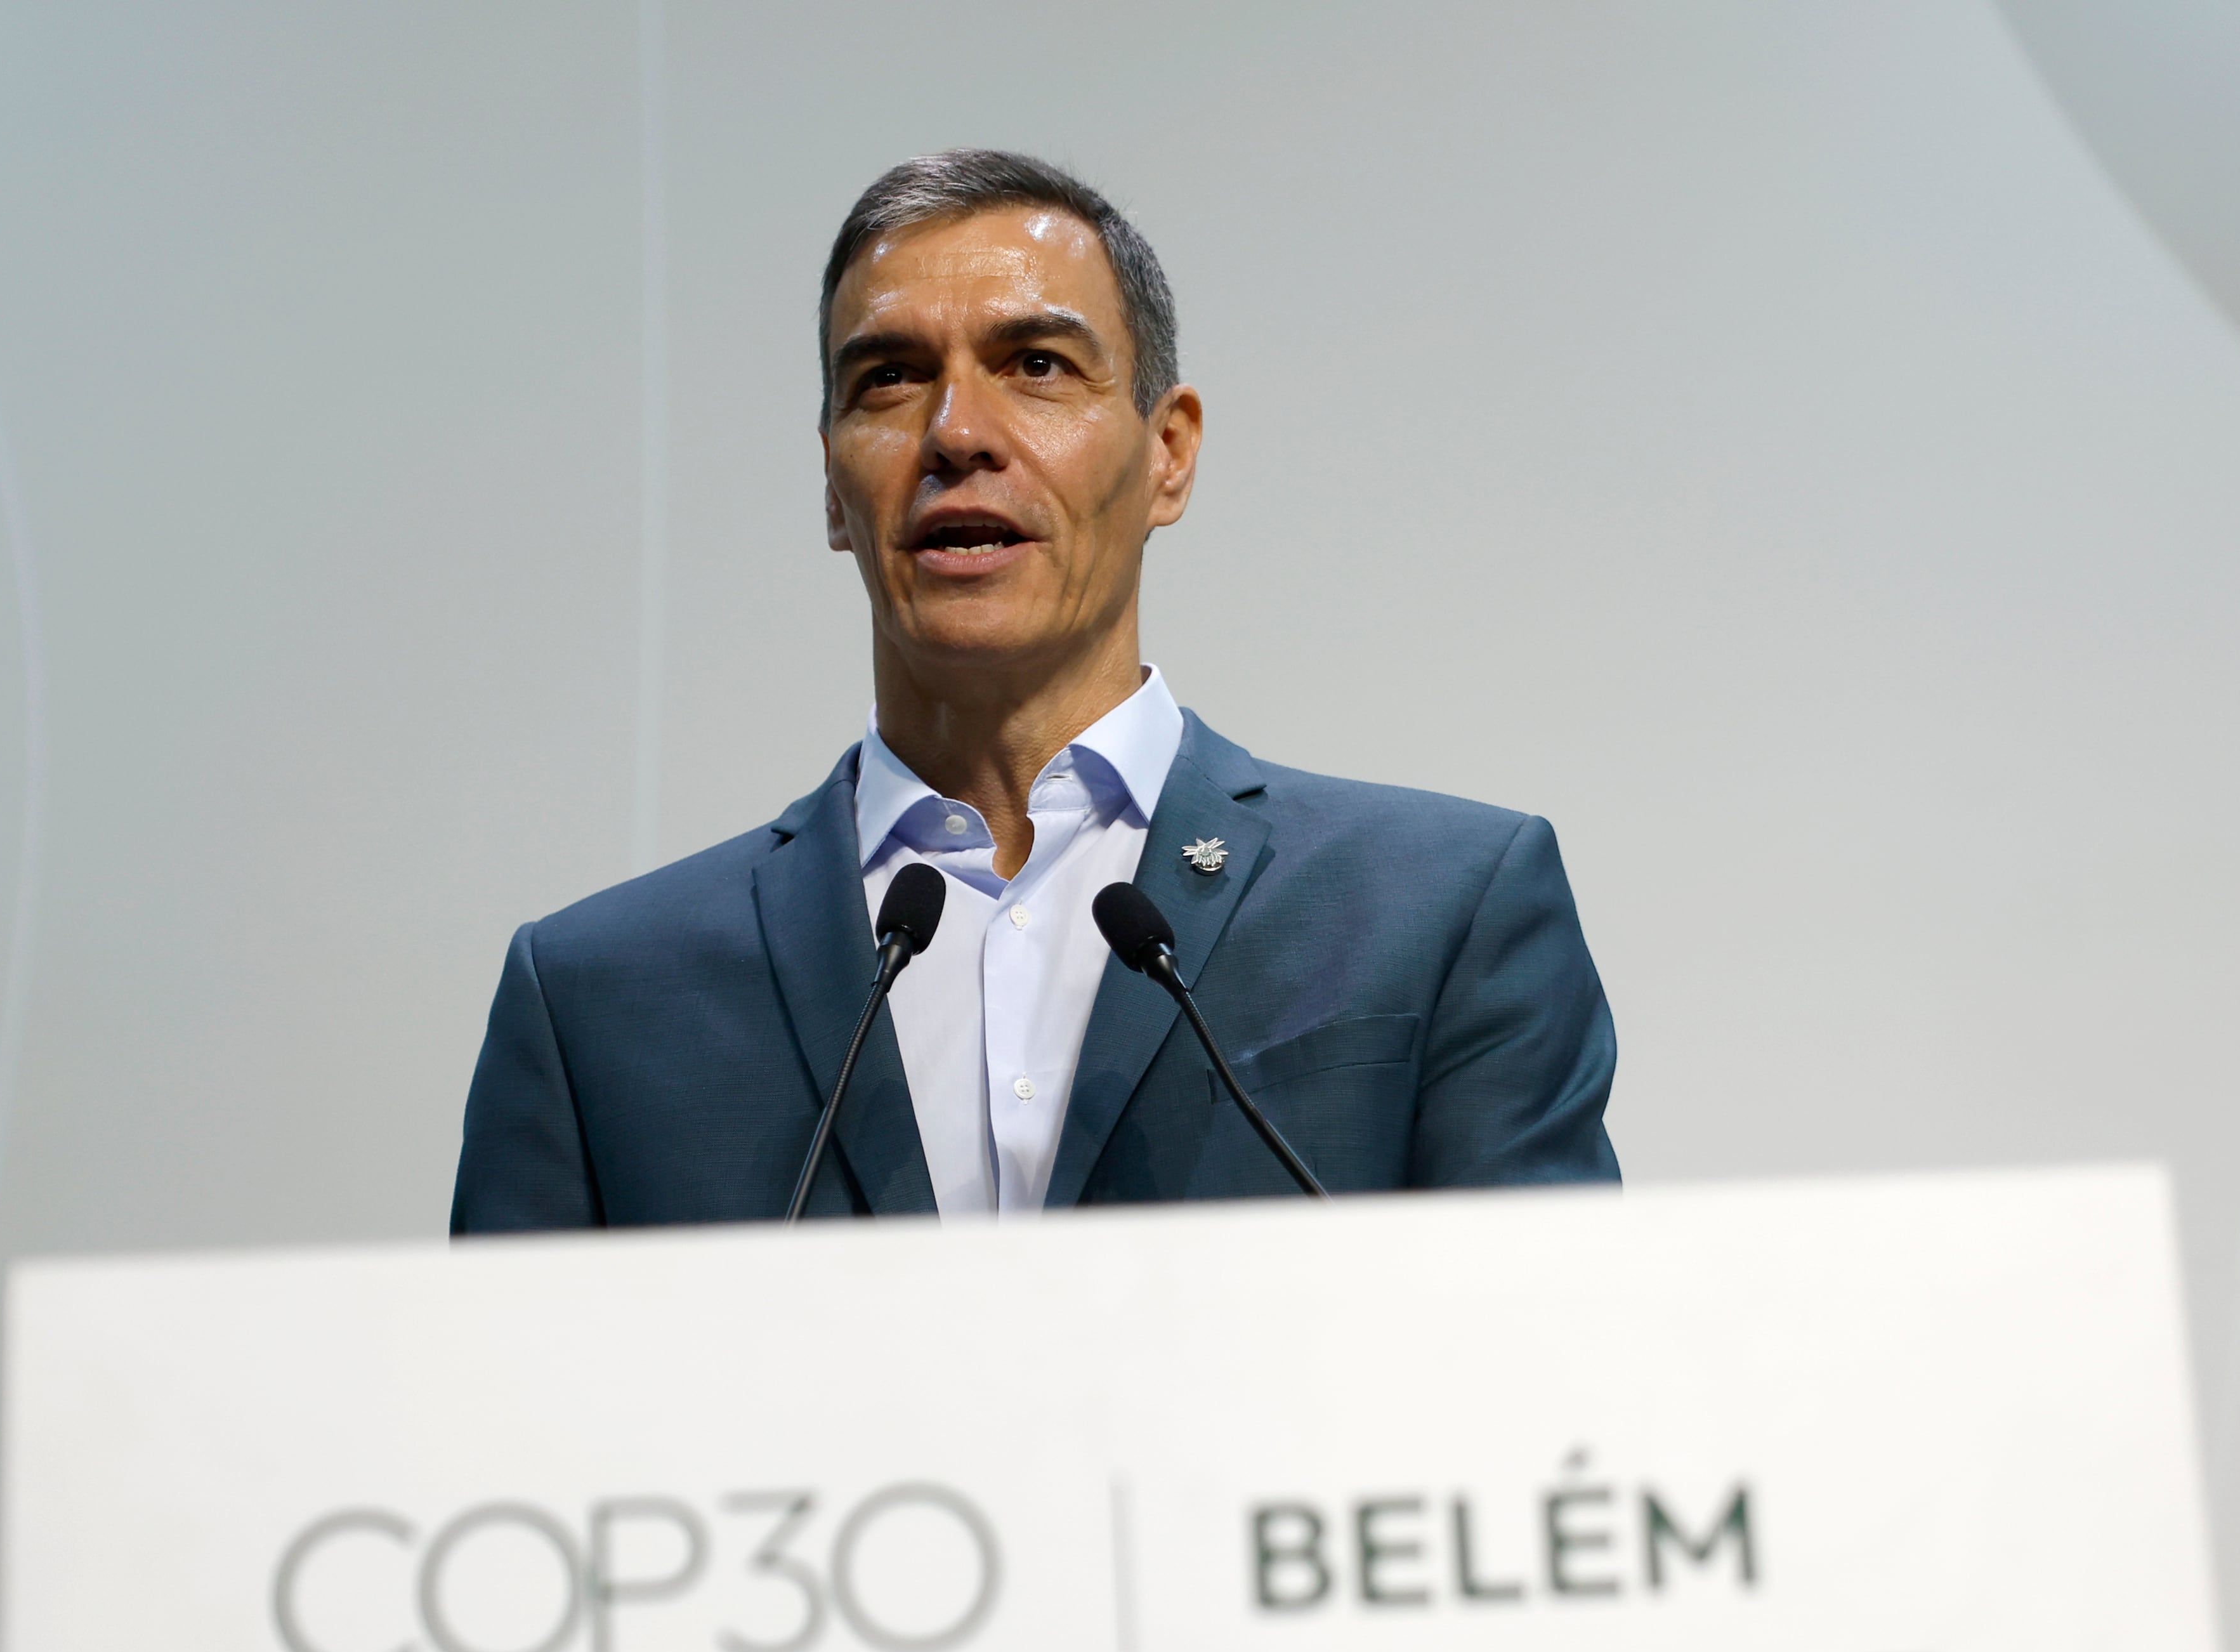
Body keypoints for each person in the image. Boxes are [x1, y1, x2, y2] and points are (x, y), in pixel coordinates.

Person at [452, 150, 1617, 1229]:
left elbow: (1557, 1351)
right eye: (891, 379)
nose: (957, 432)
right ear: (832, 488)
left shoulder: (1442, 913)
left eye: (1037, 366)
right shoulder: (596, 1004)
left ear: (1169, 453)